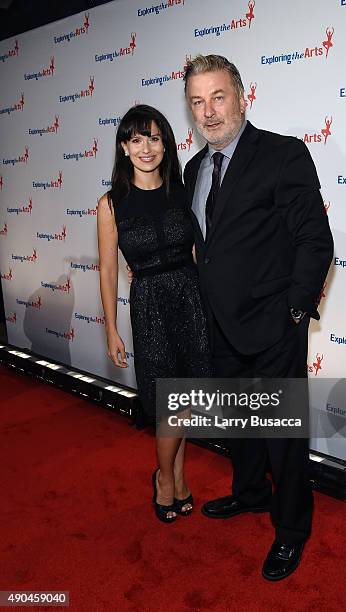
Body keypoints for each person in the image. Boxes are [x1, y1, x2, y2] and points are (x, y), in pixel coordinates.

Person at [183, 54, 334, 580]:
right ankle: (249, 493)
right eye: (197, 102)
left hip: (273, 323)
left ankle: (292, 530)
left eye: (218, 97)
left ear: (241, 97)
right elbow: (212, 245)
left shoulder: (281, 154)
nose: (208, 111)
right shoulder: (192, 168)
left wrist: (293, 309)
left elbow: (315, 239)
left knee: (282, 433)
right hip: (220, 323)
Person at [97, 104, 212, 523]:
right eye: (136, 139)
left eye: (154, 138)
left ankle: (178, 477)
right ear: (124, 148)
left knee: (187, 401)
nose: (146, 148)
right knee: (170, 406)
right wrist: (111, 329)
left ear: (166, 143)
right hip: (149, 308)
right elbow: (109, 270)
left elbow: (201, 251)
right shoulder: (111, 204)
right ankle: (165, 480)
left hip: (191, 301)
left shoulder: (181, 190)